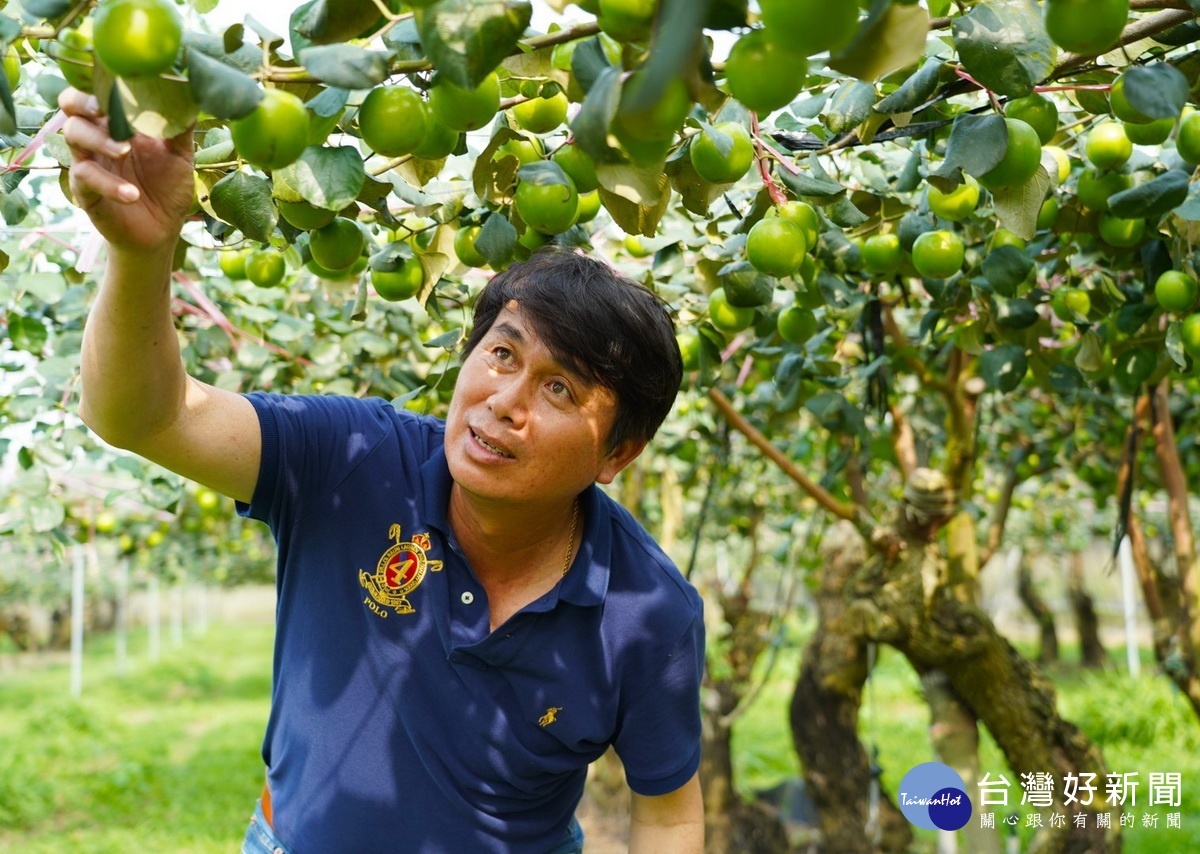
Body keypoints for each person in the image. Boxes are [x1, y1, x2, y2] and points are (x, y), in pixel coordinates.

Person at [59, 86, 705, 853]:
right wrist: (141, 254)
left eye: (560, 388)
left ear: (617, 453)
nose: (505, 402)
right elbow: (146, 417)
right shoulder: (351, 459)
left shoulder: (647, 610)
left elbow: (666, 808)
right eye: (502, 353)